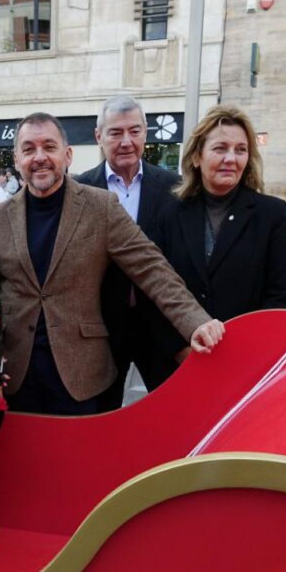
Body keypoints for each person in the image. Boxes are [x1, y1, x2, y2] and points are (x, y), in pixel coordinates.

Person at [0, 112, 224, 416]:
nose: (39, 157)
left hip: (80, 373)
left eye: (49, 147)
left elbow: (151, 267)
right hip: (15, 373)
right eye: (29, 149)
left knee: (77, 461)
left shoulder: (100, 206)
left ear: (67, 155)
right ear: (16, 159)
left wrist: (195, 321)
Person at [153, 105, 286, 382]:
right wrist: (181, 349)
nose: (231, 159)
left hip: (249, 368)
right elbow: (155, 290)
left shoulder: (272, 214)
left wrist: (245, 354)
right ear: (197, 156)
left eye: (241, 150)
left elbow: (284, 295)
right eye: (220, 148)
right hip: (181, 366)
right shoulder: (169, 214)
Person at [74, 94, 182, 410]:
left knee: (172, 411)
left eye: (134, 131)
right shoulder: (81, 189)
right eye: (116, 132)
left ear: (145, 134)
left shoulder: (174, 188)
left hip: (160, 325)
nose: (126, 141)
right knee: (102, 416)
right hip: (103, 328)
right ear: (99, 137)